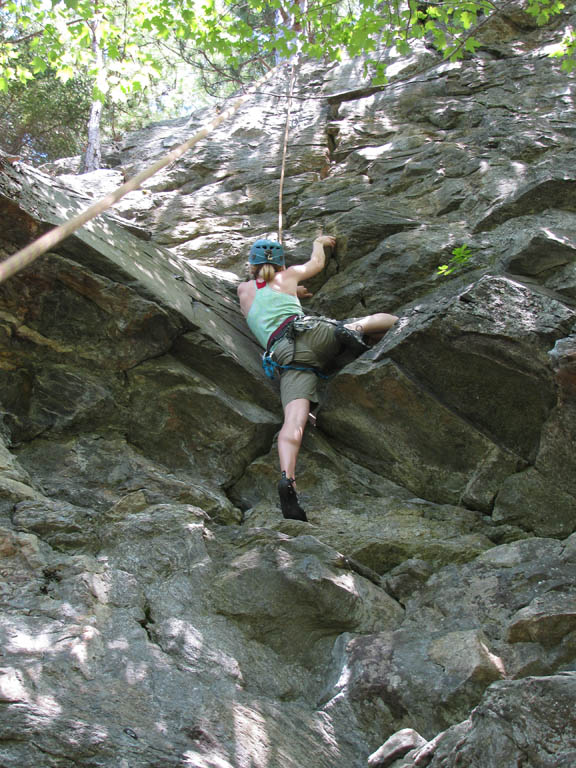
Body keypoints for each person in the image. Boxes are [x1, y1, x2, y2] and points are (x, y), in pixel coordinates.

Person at [237, 236, 398, 521]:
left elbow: (263, 301)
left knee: (294, 422)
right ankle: (356, 329)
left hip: (287, 356)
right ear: (281, 264)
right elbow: (317, 263)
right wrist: (318, 242)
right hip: (311, 331)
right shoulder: (288, 275)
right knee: (384, 321)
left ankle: (288, 478)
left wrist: (292, 291)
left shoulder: (243, 290)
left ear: (251, 265)